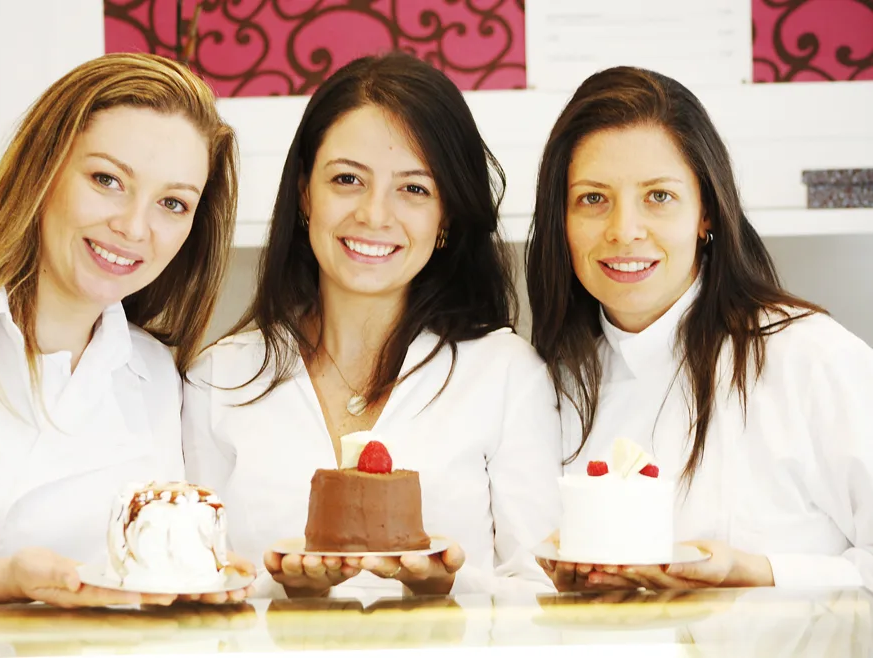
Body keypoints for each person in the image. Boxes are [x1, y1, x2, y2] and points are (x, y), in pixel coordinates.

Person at [0, 52, 252, 607]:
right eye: (107, 180)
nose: (133, 227)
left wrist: (193, 581)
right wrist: (8, 579)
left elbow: (134, 581)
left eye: (173, 203)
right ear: (43, 170)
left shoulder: (153, 375)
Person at [183, 52, 561, 599]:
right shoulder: (217, 379)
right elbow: (188, 591)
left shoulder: (506, 376)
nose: (374, 215)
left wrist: (446, 587)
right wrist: (286, 590)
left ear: (446, 218)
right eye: (347, 179)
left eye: (413, 189)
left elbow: (545, 594)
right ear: (304, 194)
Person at [525, 65, 873, 591]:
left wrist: (755, 573)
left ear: (706, 212)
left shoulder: (811, 358)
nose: (624, 231)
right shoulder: (553, 385)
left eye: (658, 196)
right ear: (561, 221)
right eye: (593, 198)